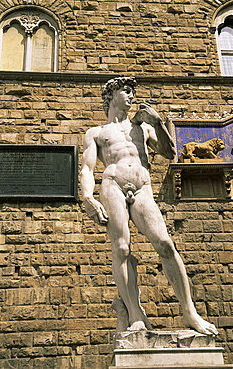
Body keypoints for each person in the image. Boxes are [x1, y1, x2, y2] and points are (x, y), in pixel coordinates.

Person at [80, 76, 218, 335]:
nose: (131, 96)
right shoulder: (96, 133)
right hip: (113, 184)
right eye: (126, 91)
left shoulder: (142, 128)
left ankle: (189, 311)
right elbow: (87, 168)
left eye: (132, 92)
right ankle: (135, 314)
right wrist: (88, 197)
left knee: (164, 243)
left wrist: (156, 121)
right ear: (112, 95)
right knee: (121, 248)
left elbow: (169, 152)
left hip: (143, 186)